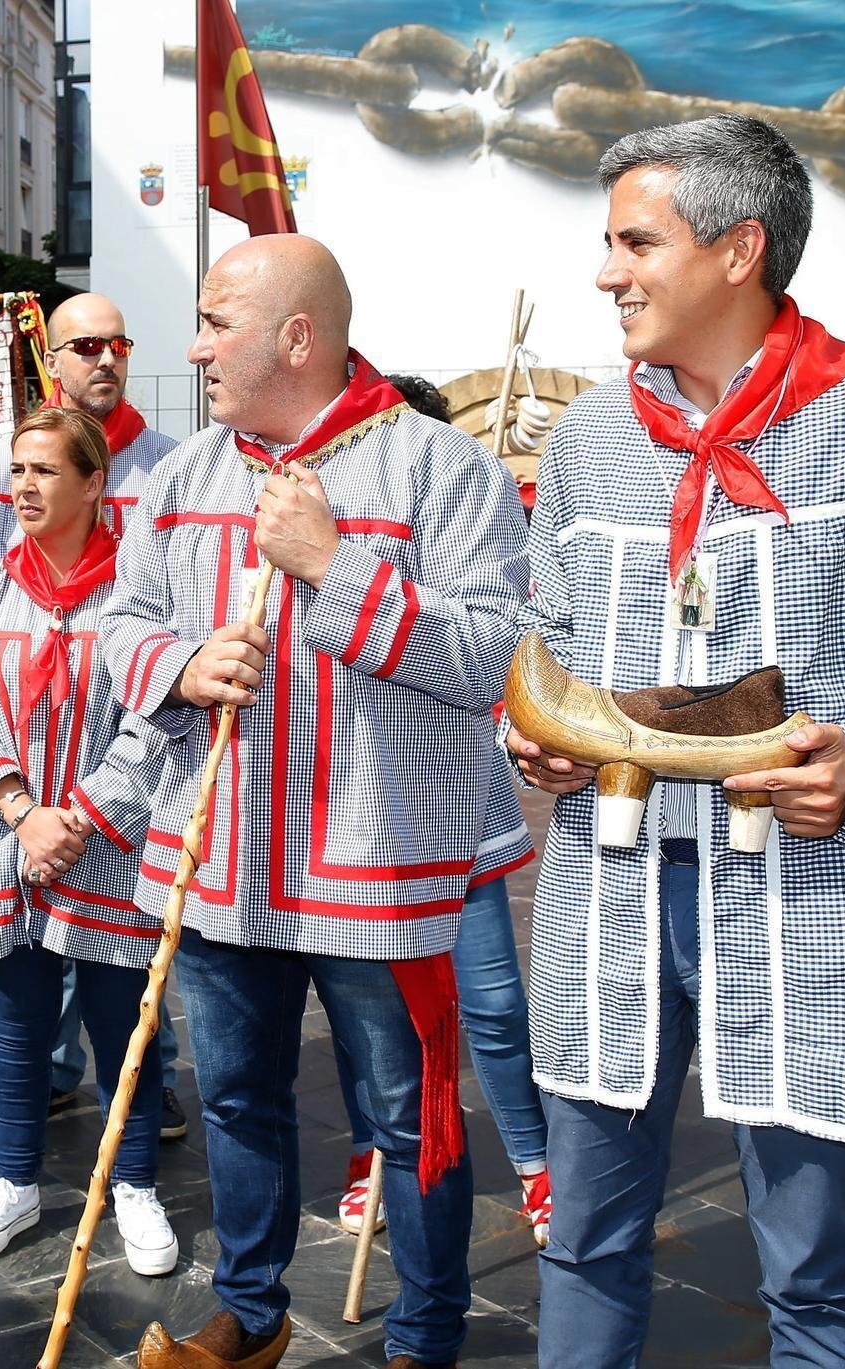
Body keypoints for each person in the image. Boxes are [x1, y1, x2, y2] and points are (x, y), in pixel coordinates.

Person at [509, 116, 845, 1369]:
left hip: (812, 894)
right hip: (612, 886)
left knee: (814, 1261)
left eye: (634, 242)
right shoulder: (588, 441)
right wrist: (535, 742)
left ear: (737, 248)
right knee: (583, 1236)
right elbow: (549, 631)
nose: (605, 273)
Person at [102, 234, 525, 1369]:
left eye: (214, 323)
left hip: (376, 860)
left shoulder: (442, 467)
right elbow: (120, 626)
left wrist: (333, 567)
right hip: (221, 857)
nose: (194, 348)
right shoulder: (184, 477)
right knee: (236, 1099)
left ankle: (425, 1334)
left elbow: (491, 655)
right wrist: (181, 667)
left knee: (408, 1116)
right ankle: (250, 1314)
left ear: (296, 337)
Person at [0, 406, 177, 1272]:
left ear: (94, 481)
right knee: (14, 1018)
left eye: (44, 470)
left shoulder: (139, 596)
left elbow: (157, 716)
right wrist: (21, 809)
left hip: (108, 842)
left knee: (123, 1019)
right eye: (17, 471)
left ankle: (134, 1183)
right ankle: (15, 1179)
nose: (23, 487)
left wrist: (81, 816)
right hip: (6, 838)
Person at [330, 371, 549, 1251]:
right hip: (361, 812)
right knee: (366, 1015)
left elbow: (493, 642)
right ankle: (375, 1152)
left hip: (456, 810)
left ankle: (537, 1161)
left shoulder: (469, 515)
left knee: (491, 1003)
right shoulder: (330, 525)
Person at [0, 292, 179, 583]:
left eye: (119, 346)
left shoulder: (168, 465)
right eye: (88, 346)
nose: (108, 360)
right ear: (51, 363)